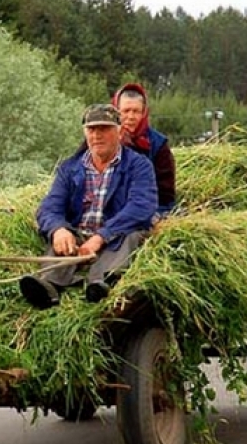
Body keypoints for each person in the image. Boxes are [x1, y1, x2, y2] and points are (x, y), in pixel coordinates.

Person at [19, 103, 157, 310]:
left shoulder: (138, 165)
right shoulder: (70, 168)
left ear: (119, 131)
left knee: (131, 237)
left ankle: (101, 283)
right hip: (80, 234)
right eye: (92, 129)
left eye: (104, 129)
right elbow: (50, 206)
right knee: (59, 242)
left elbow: (141, 206)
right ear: (85, 132)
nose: (97, 135)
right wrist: (58, 229)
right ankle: (48, 285)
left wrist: (101, 237)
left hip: (115, 234)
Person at [112, 83, 176, 218]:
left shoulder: (158, 145)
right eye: (126, 111)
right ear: (116, 112)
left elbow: (165, 195)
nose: (131, 117)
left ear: (144, 113)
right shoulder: (103, 139)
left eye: (136, 111)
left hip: (148, 210)